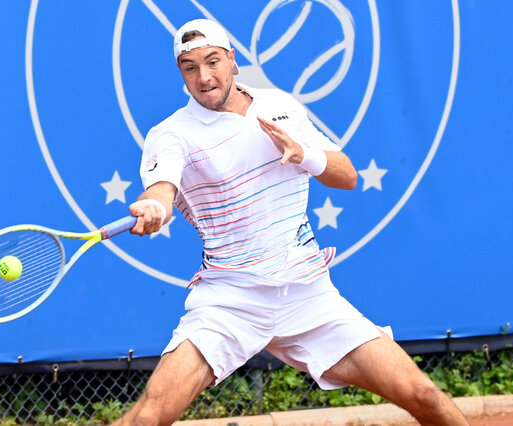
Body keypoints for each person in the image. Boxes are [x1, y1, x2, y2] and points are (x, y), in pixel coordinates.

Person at [113, 19, 468, 426]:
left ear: (232, 60)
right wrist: (156, 206)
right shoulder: (172, 134)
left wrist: (305, 154)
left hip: (308, 295)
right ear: (181, 73)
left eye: (212, 61)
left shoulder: (279, 107)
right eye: (190, 67)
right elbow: (161, 188)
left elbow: (347, 176)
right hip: (231, 301)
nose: (204, 77)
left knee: (422, 394)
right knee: (150, 418)